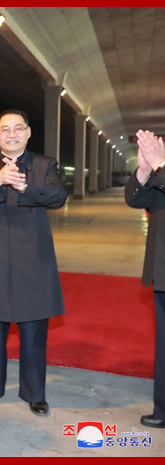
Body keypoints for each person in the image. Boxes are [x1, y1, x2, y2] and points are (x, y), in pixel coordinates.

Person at [0, 109, 66, 416]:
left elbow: (58, 196)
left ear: (28, 132)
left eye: (18, 128)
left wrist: (25, 188)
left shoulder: (44, 165)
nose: (11, 134)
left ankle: (35, 393)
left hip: (33, 258)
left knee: (33, 327)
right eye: (4, 129)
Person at [124, 129, 165, 429]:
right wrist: (144, 171)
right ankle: (162, 408)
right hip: (162, 268)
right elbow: (136, 200)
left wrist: (160, 166)